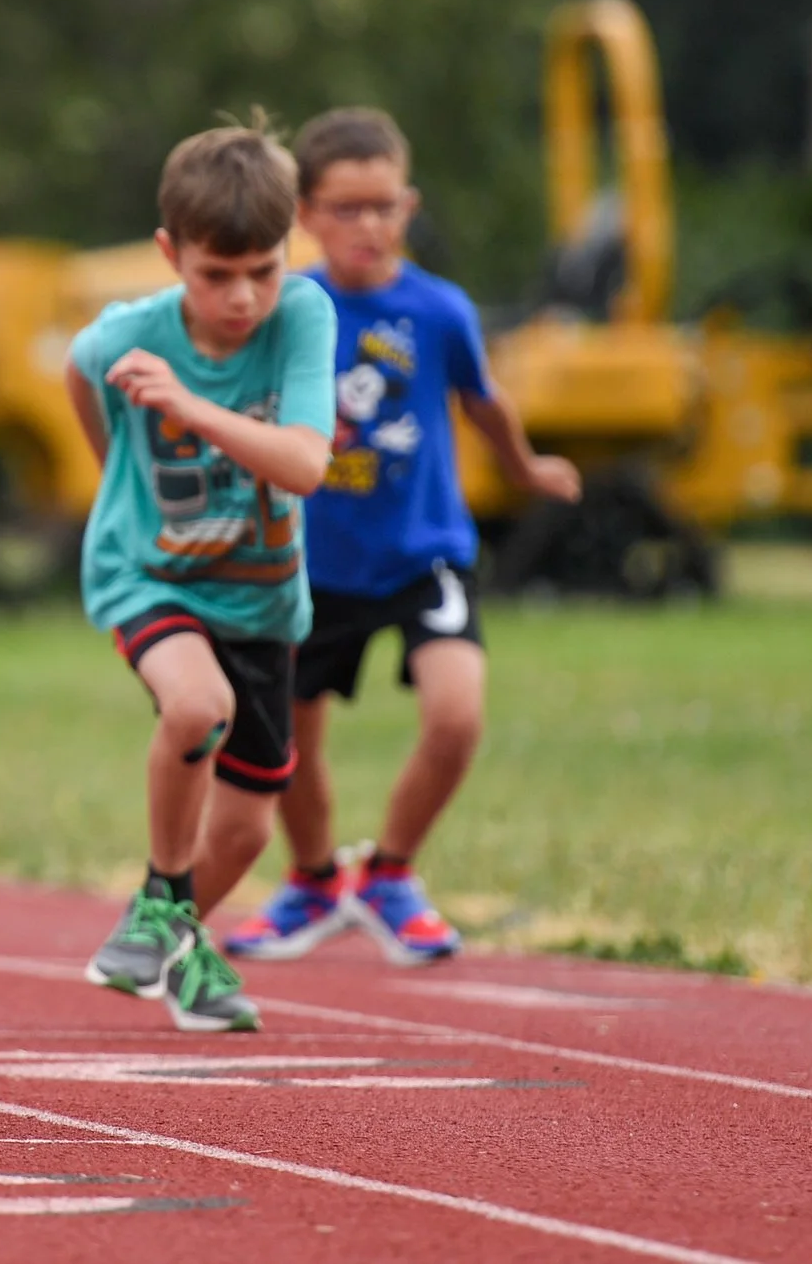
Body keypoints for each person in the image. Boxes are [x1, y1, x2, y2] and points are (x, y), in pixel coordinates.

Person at [224, 108, 579, 966]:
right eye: (346, 208)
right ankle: (312, 879)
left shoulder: (439, 309)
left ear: (408, 205)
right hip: (311, 562)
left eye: (384, 206)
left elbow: (483, 400)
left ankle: (390, 872)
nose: (368, 226)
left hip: (425, 551)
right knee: (293, 738)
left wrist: (525, 469)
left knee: (456, 715)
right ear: (305, 212)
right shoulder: (285, 304)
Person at [69, 121, 336, 1033]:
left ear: (289, 246)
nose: (243, 295)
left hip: (262, 595)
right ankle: (158, 903)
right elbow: (81, 371)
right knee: (195, 707)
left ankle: (179, 943)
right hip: (148, 576)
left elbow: (303, 464)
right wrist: (120, 476)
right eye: (215, 274)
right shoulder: (127, 335)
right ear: (168, 253)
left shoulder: (304, 314)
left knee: (249, 828)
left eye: (262, 269)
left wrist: (189, 406)